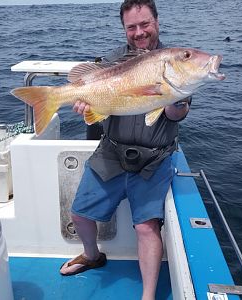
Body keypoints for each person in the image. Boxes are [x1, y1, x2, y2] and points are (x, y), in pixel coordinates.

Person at [60, 1, 191, 299]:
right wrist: (86, 105)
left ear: (157, 21)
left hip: (155, 158)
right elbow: (96, 101)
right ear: (124, 29)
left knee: (146, 227)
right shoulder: (112, 61)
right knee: (79, 214)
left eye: (145, 24)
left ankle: (146, 295)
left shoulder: (174, 62)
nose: (139, 32)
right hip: (111, 152)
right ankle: (92, 255)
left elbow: (175, 114)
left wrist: (175, 99)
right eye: (131, 27)